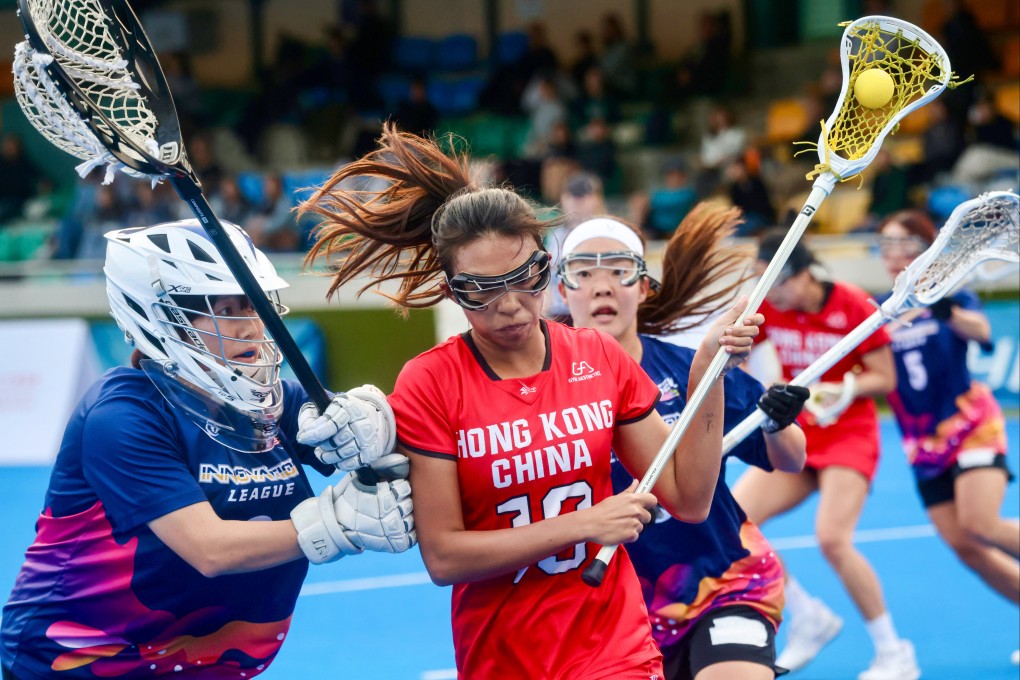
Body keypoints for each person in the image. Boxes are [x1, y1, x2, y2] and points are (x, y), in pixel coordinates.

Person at [300, 122, 764, 679]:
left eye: (527, 278)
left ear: (547, 265)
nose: (511, 305)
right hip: (501, 655)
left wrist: (707, 373)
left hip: (614, 646)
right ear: (451, 292)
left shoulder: (598, 356)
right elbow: (445, 556)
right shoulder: (430, 383)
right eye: (481, 291)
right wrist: (584, 524)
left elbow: (689, 498)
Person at [0, 219, 415, 679]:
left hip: (201, 666)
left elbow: (386, 449)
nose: (252, 328)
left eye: (254, 305)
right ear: (163, 321)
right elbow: (209, 549)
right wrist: (338, 524)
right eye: (226, 311)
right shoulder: (121, 415)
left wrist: (376, 423)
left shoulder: (274, 401)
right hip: (75, 662)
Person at [559, 207, 810, 680]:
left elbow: (793, 458)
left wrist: (778, 423)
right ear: (562, 290)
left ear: (643, 287)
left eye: (619, 270)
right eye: (584, 272)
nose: (602, 286)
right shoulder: (542, 394)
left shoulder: (694, 367)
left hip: (723, 582)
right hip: (611, 616)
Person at [731, 231, 919, 680]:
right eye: (762, 281)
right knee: (734, 522)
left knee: (832, 539)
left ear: (804, 275)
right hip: (798, 433)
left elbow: (886, 378)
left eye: (777, 282)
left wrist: (845, 388)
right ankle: (808, 615)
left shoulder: (852, 305)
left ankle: (894, 652)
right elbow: (739, 349)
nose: (771, 293)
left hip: (849, 433)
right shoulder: (767, 303)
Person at [877, 210, 1018, 658]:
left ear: (927, 248)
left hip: (970, 424)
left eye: (903, 243)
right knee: (965, 546)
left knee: (981, 524)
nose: (893, 253)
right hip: (922, 443)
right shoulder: (879, 309)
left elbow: (982, 332)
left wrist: (946, 310)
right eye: (885, 245)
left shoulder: (953, 293)